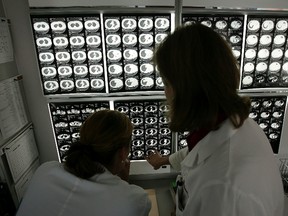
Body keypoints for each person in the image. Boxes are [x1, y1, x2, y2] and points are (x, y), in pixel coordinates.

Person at [146, 24, 285, 216]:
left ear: (188, 90)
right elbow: (197, 152)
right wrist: (164, 160)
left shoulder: (222, 190)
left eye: (167, 83)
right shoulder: (239, 125)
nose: (165, 93)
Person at [17, 109, 151, 216]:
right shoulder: (137, 200)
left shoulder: (45, 170)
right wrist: (124, 183)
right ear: (122, 152)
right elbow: (123, 202)